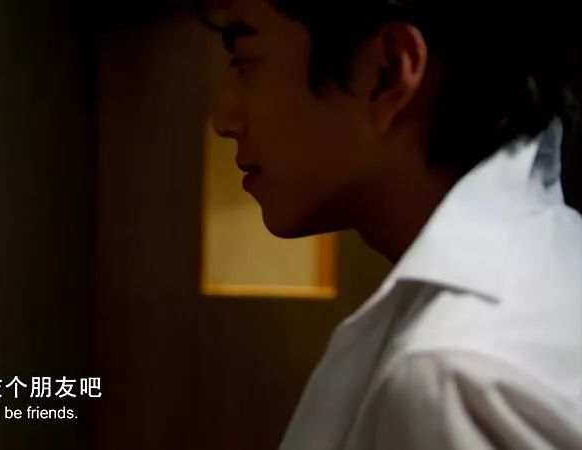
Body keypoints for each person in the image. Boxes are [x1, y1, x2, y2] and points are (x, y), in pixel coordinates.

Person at [197, 0, 581, 448]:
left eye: (245, 61)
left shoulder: (456, 374)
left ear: (387, 73)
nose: (225, 120)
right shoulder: (551, 258)